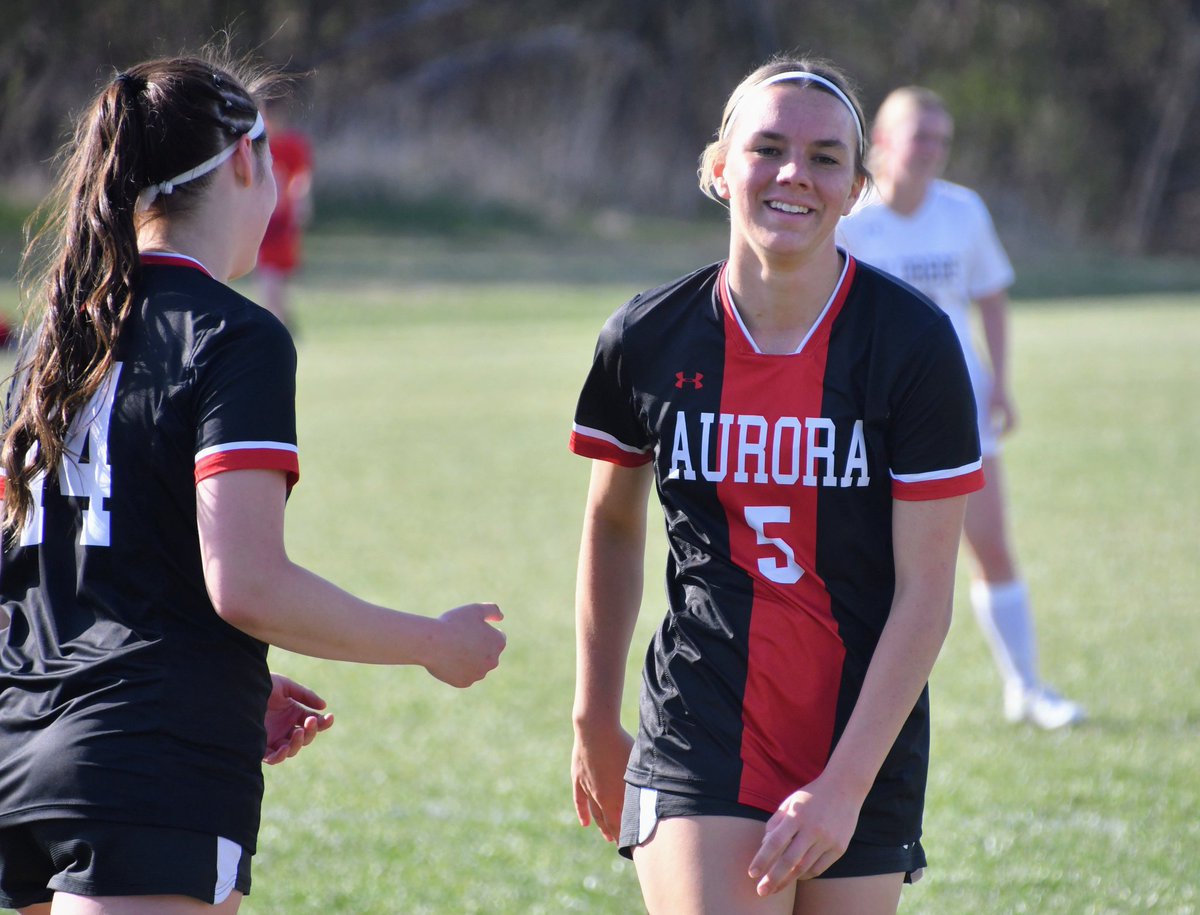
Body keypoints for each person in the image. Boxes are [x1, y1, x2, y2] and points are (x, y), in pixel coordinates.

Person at [0, 53, 505, 915]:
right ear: (244, 159)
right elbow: (249, 585)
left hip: (22, 746)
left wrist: (225, 676)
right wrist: (431, 641)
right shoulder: (236, 335)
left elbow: (59, 567)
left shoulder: (59, 334)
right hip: (146, 759)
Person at [569, 55, 984, 915]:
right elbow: (612, 524)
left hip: (863, 734)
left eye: (825, 157)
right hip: (701, 722)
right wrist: (593, 714)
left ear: (856, 188)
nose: (795, 173)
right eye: (768, 148)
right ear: (720, 168)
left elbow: (926, 590)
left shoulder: (913, 345)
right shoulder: (648, 336)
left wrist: (844, 785)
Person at [837, 86, 1084, 730]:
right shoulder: (849, 216)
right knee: (860, 562)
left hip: (954, 406)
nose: (932, 150)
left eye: (942, 139)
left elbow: (990, 296)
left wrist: (999, 381)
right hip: (865, 413)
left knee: (991, 545)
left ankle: (1026, 688)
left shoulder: (963, 210)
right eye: (919, 136)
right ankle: (849, 700)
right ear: (881, 141)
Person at [256, 97, 313, 330]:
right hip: (265, 221)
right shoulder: (258, 145)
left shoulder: (292, 145)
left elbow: (301, 179)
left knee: (278, 278)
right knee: (270, 278)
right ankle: (278, 321)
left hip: (283, 222)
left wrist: (302, 203)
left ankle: (279, 320)